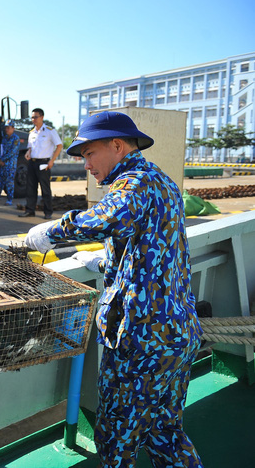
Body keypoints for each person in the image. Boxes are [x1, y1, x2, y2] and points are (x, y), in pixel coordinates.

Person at [23, 111, 203, 467]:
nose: (86, 163)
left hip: (142, 343)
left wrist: (52, 232)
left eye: (89, 153)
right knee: (165, 432)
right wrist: (103, 264)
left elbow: (109, 218)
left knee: (115, 438)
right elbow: (154, 256)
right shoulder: (160, 182)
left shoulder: (134, 182)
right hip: (176, 335)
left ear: (117, 146)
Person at [21, 108, 62, 219]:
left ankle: (48, 212)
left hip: (44, 163)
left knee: (45, 189)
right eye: (32, 117)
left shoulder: (49, 131)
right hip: (32, 163)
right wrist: (28, 153)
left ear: (42, 117)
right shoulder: (31, 132)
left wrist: (52, 160)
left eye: (35, 117)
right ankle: (30, 210)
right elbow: (30, 147)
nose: (33, 119)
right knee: (30, 188)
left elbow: (59, 145)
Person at [0, 119, 20, 206]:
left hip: (10, 164)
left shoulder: (16, 139)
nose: (6, 129)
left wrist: (3, 159)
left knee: (9, 182)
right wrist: (0, 158)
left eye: (8, 128)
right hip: (3, 164)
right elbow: (1, 149)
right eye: (6, 128)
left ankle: (9, 199)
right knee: (0, 181)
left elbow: (13, 151)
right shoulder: (4, 138)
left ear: (13, 128)